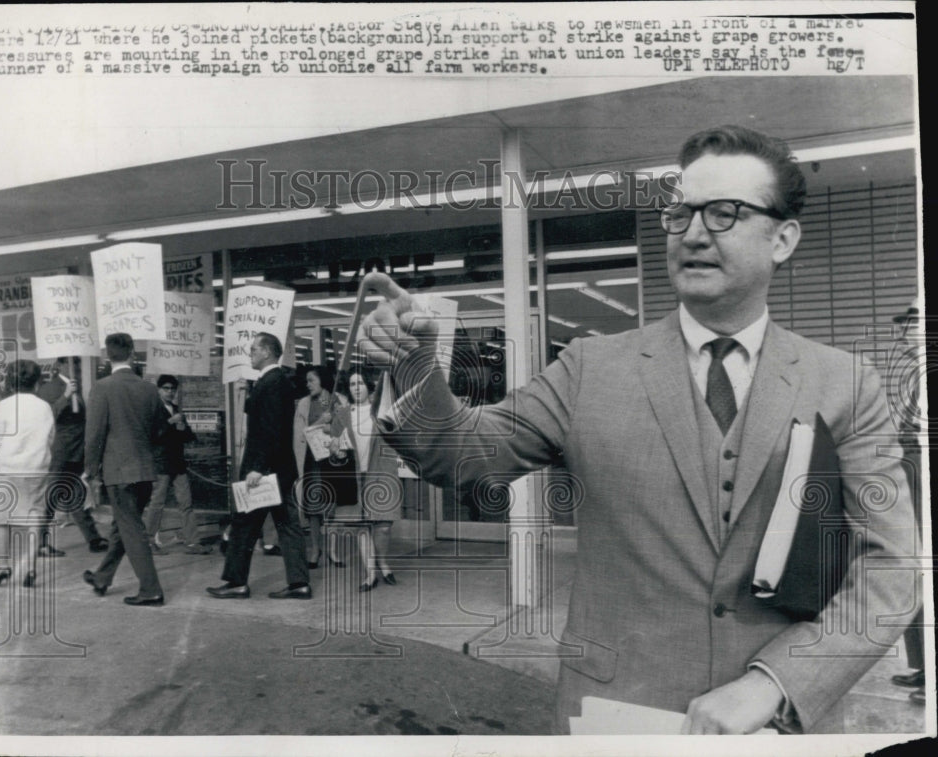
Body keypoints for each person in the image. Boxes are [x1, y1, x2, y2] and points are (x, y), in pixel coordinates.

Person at [356, 125, 917, 734]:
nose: (695, 232)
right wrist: (413, 363)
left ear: (783, 238)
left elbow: (890, 569)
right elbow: (467, 457)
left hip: (777, 724)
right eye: (681, 212)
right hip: (616, 712)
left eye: (725, 213)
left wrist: (775, 684)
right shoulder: (589, 367)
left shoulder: (846, 384)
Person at [206, 333, 311, 600]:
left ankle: (236, 582)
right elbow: (264, 419)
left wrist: (258, 467)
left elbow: (270, 430)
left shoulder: (272, 383)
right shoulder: (275, 382)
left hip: (264, 473)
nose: (249, 353)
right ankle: (299, 583)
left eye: (253, 349)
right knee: (287, 526)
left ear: (266, 352)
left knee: (243, 526)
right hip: (281, 471)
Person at [82, 333, 170, 606]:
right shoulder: (149, 389)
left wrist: (90, 470)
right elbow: (160, 431)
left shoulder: (102, 387)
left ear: (108, 356)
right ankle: (102, 576)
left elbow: (94, 433)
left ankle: (151, 589)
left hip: (118, 471)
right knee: (124, 526)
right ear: (133, 353)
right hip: (144, 470)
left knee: (131, 530)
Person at [0, 360, 55, 588]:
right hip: (36, 468)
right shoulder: (44, 407)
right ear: (37, 382)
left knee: (3, 520)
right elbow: (50, 437)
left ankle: (3, 567)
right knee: (35, 516)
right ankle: (31, 569)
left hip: (8, 468)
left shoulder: (4, 406)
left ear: (11, 383)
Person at [887, 299, 926, 707]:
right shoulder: (917, 376)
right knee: (913, 572)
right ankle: (924, 667)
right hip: (911, 486)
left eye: (909, 325)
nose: (902, 334)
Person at [332, 369, 401, 592]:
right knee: (361, 526)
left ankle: (383, 562)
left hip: (380, 472)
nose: (356, 387)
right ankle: (370, 573)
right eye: (352, 384)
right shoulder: (341, 414)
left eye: (360, 383)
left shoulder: (381, 411)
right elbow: (333, 445)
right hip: (353, 476)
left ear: (369, 387)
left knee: (383, 526)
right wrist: (337, 451)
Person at [36, 357, 109, 555]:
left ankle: (93, 539)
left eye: (77, 364)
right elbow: (45, 417)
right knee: (51, 500)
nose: (75, 368)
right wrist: (65, 397)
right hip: (59, 454)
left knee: (76, 497)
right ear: (59, 365)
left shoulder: (75, 388)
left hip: (76, 453)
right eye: (70, 364)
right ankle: (40, 543)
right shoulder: (49, 389)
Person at [293, 365, 356, 568]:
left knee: (331, 507)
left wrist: (332, 426)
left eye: (312, 380)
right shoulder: (304, 404)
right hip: (312, 462)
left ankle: (332, 550)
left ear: (322, 380)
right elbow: (300, 433)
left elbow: (346, 430)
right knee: (313, 508)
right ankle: (315, 550)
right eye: (307, 381)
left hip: (332, 461)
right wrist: (321, 422)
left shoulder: (337, 401)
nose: (308, 384)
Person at [142, 375, 210, 555]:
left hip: (177, 463)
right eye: (166, 388)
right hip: (161, 463)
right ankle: (149, 541)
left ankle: (192, 542)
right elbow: (150, 436)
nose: (170, 392)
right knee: (157, 503)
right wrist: (170, 422)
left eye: (173, 389)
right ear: (158, 389)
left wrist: (183, 428)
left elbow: (188, 437)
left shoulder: (176, 409)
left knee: (186, 503)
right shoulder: (151, 409)